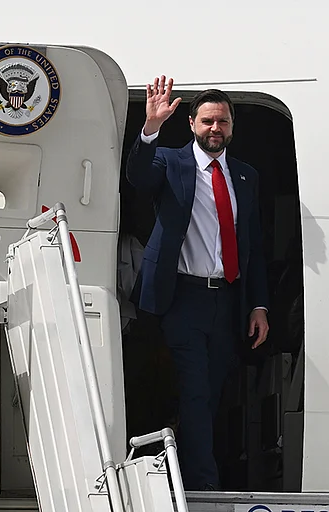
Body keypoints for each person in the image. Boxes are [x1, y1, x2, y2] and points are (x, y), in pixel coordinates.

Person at [126, 75, 270, 491]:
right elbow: (138, 175)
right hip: (184, 297)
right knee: (194, 391)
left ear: (231, 127)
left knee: (212, 393)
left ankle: (190, 467)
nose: (214, 129)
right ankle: (202, 485)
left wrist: (258, 305)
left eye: (222, 121)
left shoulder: (245, 176)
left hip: (227, 300)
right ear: (191, 124)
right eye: (207, 121)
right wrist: (150, 128)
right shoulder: (171, 162)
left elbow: (253, 246)